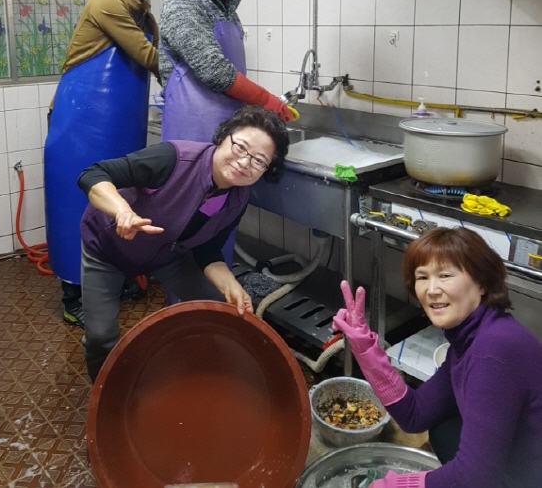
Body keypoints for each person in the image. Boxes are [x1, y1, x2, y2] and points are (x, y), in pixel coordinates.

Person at [77, 105, 289, 382]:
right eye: (240, 147)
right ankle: (104, 393)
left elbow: (208, 250)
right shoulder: (174, 159)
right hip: (106, 248)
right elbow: (93, 174)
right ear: (223, 137)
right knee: (101, 336)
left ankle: (201, 374)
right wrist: (122, 212)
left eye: (259, 160)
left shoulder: (237, 199)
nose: (244, 162)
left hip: (168, 256)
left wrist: (231, 285)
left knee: (219, 308)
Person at [332, 227, 542, 488]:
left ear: (482, 283)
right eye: (422, 277)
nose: (431, 290)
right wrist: (366, 349)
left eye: (445, 275)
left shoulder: (493, 351)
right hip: (513, 461)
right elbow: (415, 414)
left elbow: (473, 478)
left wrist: (393, 485)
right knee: (445, 430)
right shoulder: (469, 339)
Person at [44, 0, 159, 328]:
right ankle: (72, 295)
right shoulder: (105, 1)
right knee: (74, 203)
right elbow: (145, 54)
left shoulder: (144, 13)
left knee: (118, 198)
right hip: (78, 122)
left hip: (120, 122)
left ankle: (112, 277)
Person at [158, 0, 295, 143]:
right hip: (190, 136)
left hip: (228, 133)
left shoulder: (229, 12)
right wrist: (264, 99)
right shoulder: (182, 3)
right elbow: (213, 70)